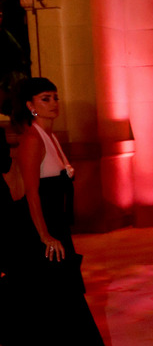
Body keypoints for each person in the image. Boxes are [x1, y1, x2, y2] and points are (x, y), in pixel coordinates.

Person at [3, 77, 103, 345]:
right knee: (54, 296)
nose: (54, 103)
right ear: (30, 105)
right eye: (45, 99)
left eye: (55, 97)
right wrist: (45, 235)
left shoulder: (50, 137)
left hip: (54, 225)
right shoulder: (33, 139)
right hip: (38, 228)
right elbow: (31, 193)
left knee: (60, 296)